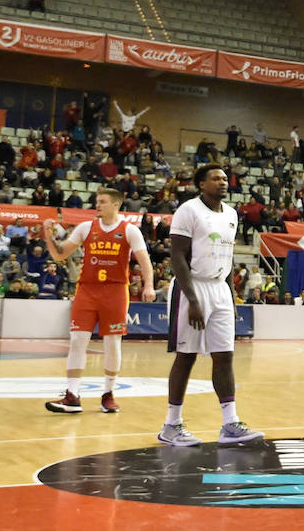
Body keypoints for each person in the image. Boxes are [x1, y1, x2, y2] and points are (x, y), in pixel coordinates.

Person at [158, 165, 264, 446]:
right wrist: (193, 300)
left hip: (220, 289)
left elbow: (227, 257)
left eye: (225, 178)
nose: (223, 182)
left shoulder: (231, 214)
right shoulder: (188, 210)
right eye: (216, 178)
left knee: (225, 356)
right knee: (186, 356)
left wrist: (231, 295)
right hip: (192, 286)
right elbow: (177, 257)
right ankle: (171, 425)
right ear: (201, 184)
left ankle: (230, 423)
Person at [43, 189, 156, 414]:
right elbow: (59, 255)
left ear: (115, 205)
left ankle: (108, 394)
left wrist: (149, 285)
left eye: (102, 202)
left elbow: (144, 261)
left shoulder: (129, 230)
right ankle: (72, 395)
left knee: (112, 342)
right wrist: (48, 234)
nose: (97, 205)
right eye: (97, 201)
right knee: (77, 340)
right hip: (87, 290)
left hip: (115, 291)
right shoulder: (86, 228)